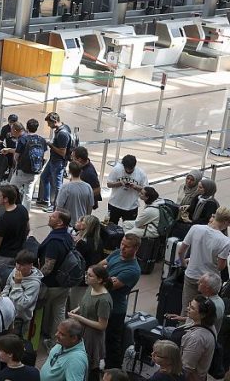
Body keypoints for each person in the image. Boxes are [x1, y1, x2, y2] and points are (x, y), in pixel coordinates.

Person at [176, 205, 230, 319]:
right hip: (210, 280)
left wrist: (185, 264)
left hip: (191, 274)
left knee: (187, 309)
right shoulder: (225, 241)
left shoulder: (195, 228)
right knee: (205, 314)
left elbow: (181, 251)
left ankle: (183, 333)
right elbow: (220, 266)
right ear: (226, 222)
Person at [100, 234, 142, 370]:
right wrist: (104, 275)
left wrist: (102, 275)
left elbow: (108, 285)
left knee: (112, 344)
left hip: (115, 310)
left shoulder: (133, 270)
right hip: (103, 303)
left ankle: (113, 372)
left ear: (136, 248)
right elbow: (98, 267)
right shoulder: (117, 253)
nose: (122, 248)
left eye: (127, 246)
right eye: (122, 244)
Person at [68, 264, 113, 381]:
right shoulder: (91, 288)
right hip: (82, 331)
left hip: (92, 337)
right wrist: (77, 309)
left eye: (90, 275)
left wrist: (79, 318)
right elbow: (86, 303)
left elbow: (102, 325)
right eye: (86, 274)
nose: (86, 277)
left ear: (100, 280)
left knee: (88, 367)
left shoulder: (103, 300)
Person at [39, 208, 75, 349]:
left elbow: (48, 266)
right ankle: (58, 342)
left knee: (47, 310)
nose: (49, 217)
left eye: (53, 216)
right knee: (59, 312)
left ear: (60, 222)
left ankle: (47, 335)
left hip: (51, 284)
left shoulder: (54, 242)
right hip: (64, 283)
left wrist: (36, 277)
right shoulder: (67, 237)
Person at [2, 250, 44, 337]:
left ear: (30, 265)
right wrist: (3, 300)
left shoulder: (34, 284)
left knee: (12, 344)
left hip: (18, 320)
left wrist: (17, 284)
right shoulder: (15, 270)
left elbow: (21, 305)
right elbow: (7, 286)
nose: (18, 267)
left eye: (22, 265)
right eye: (17, 263)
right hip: (6, 312)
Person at [37, 112, 73, 209]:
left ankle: (56, 205)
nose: (48, 125)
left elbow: (62, 152)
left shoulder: (62, 134)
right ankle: (47, 200)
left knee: (58, 186)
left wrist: (50, 145)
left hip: (58, 162)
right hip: (53, 160)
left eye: (49, 123)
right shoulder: (62, 128)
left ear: (55, 121)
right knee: (44, 177)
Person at [179, 296, 218, 381]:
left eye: (192, 308)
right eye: (189, 305)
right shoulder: (208, 324)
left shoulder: (197, 339)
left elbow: (186, 368)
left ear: (202, 315)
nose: (187, 308)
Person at [0, 185, 30, 271]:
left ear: (6, 199)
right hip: (18, 253)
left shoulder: (3, 219)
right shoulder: (22, 209)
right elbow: (27, 229)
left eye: (0, 195)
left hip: (4, 256)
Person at [105, 154, 148, 224]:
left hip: (131, 207)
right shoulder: (116, 169)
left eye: (130, 170)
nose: (128, 171)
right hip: (114, 204)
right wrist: (119, 183)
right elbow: (109, 184)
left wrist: (135, 187)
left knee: (129, 229)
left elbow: (146, 190)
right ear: (123, 166)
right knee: (110, 226)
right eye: (126, 169)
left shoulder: (141, 174)